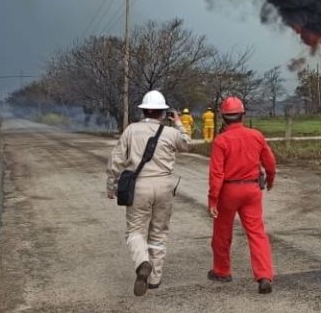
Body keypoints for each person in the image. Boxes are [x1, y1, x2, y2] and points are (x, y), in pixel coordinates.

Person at [107, 90, 191, 296]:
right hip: (165, 186)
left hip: (139, 187)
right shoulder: (171, 133)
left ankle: (142, 262)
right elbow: (186, 144)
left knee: (135, 230)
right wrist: (178, 122)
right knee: (159, 232)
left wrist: (112, 185)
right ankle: (154, 278)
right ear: (163, 113)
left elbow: (116, 159)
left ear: (143, 110)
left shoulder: (131, 130)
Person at [207, 96, 276, 294]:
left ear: (223, 117)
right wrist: (270, 181)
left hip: (228, 191)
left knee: (222, 233)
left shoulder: (221, 141)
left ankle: (222, 271)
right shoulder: (256, 135)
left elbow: (217, 173)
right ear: (242, 115)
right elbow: (270, 162)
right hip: (252, 190)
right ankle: (264, 275)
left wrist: (213, 199)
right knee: (257, 233)